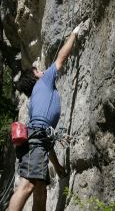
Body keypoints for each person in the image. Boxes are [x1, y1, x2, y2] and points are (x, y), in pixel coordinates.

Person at [8, 24, 82, 211]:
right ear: (36, 77)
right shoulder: (44, 82)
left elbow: (44, 142)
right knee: (28, 185)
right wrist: (74, 33)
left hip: (36, 142)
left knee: (40, 189)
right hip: (36, 141)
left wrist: (57, 167)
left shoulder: (35, 102)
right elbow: (61, 59)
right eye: (39, 71)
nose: (42, 71)